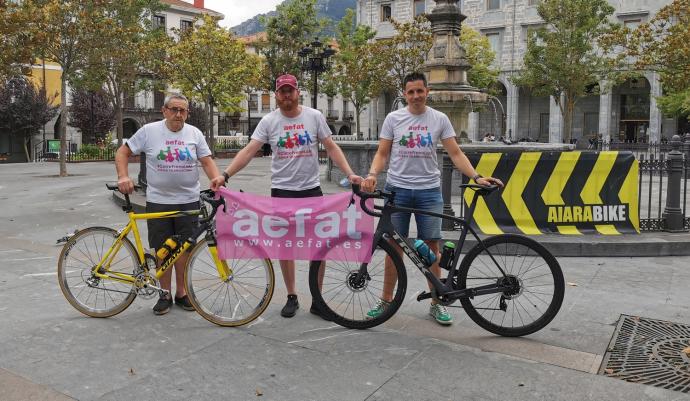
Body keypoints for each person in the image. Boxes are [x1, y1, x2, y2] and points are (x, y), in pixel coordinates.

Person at [210, 74, 362, 319]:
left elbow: (331, 146)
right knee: (286, 246)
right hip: (282, 191)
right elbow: (250, 150)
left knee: (319, 247)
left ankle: (318, 298)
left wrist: (351, 174)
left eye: (290, 91)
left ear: (297, 92)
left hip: (311, 191)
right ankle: (291, 295)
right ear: (277, 94)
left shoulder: (314, 116)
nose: (286, 95)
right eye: (282, 91)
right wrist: (225, 174)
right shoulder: (269, 121)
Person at [361, 72, 503, 326]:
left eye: (419, 91)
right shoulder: (394, 118)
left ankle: (438, 302)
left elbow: (455, 153)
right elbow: (383, 153)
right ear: (404, 94)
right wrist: (372, 173)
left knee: (432, 247)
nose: (415, 96)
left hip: (428, 191)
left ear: (427, 92)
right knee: (393, 248)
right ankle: (385, 300)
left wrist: (476, 176)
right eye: (410, 92)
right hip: (398, 190)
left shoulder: (439, 118)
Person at [116, 93, 223, 316]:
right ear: (164, 111)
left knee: (185, 250)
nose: (178, 114)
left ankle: (181, 293)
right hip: (158, 201)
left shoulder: (194, 133)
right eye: (174, 109)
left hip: (188, 201)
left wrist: (216, 180)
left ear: (187, 113)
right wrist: (123, 176)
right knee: (162, 250)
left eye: (182, 110)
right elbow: (123, 152)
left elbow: (206, 161)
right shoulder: (149, 131)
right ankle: (164, 293)